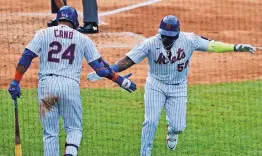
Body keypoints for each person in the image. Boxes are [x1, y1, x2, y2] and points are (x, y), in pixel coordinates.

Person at [87, 15, 256, 156]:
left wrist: (236, 47)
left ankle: (172, 130)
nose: (166, 38)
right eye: (164, 35)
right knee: (150, 121)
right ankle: (144, 153)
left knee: (179, 127)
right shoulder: (150, 43)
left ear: (177, 33)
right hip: (156, 85)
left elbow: (212, 45)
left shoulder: (189, 40)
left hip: (178, 87)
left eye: (170, 35)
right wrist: (109, 71)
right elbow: (127, 60)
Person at [8, 6, 136, 156]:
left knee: (50, 134)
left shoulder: (43, 34)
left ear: (58, 20)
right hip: (70, 87)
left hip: (46, 87)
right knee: (74, 129)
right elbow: (101, 69)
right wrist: (121, 80)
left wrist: (16, 82)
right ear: (75, 22)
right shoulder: (83, 39)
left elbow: (26, 56)